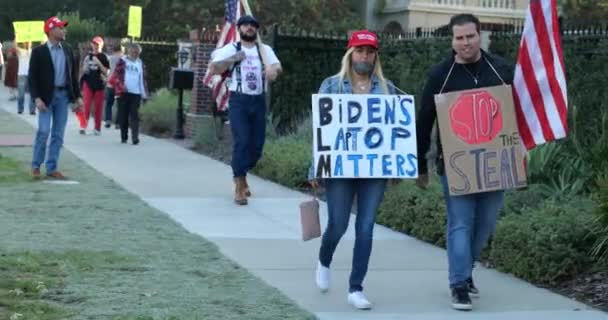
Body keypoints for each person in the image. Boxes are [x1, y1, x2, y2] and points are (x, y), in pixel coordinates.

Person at [415, 14, 514, 311]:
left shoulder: (502, 69)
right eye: (459, 37)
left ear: (479, 35)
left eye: (470, 36)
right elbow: (424, 121)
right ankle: (458, 283)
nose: (465, 42)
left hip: (496, 163)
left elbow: (519, 110)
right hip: (455, 165)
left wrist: (522, 149)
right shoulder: (440, 75)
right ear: (452, 40)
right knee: (460, 223)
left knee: (484, 224)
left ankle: (466, 270)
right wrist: (420, 164)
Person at [308, 30, 396, 310]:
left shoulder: (387, 89)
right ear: (350, 54)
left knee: (366, 227)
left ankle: (356, 288)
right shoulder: (332, 86)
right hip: (340, 167)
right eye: (360, 51)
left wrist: (394, 165)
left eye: (370, 52)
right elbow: (320, 131)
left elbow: (395, 132)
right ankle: (324, 259)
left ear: (375, 57)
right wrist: (316, 167)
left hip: (374, 170)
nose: (365, 56)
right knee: (338, 224)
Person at [208, 15, 282, 205]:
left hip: (258, 100)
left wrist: (273, 71)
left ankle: (241, 173)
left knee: (256, 146)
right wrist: (233, 58)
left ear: (256, 30)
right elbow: (214, 68)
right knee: (242, 141)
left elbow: (277, 67)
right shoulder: (231, 48)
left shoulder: (264, 50)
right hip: (239, 100)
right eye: (246, 25)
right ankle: (239, 186)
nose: (249, 28)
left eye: (253, 26)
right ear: (239, 28)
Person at [29, 16, 82, 180]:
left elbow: (73, 76)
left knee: (58, 134)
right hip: (45, 97)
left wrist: (77, 97)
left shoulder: (67, 50)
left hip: (63, 96)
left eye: (63, 28)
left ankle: (52, 168)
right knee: (44, 131)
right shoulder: (38, 52)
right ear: (51, 31)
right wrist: (36, 98)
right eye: (60, 28)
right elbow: (33, 77)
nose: (64, 30)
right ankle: (36, 165)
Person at [108, 43, 147, 145]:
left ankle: (135, 138)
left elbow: (141, 79)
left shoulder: (139, 63)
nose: (136, 54)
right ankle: (124, 137)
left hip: (136, 93)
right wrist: (120, 85)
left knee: (135, 115)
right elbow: (115, 76)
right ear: (129, 51)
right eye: (134, 52)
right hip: (123, 92)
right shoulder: (123, 61)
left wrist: (143, 93)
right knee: (123, 115)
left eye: (138, 53)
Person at [76, 36, 110, 135]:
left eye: (97, 44)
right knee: (86, 105)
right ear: (91, 45)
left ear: (101, 45)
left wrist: (99, 63)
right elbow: (83, 71)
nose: (95, 46)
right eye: (94, 44)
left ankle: (97, 128)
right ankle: (83, 126)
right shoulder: (88, 57)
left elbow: (107, 72)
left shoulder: (104, 57)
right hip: (88, 83)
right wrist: (84, 70)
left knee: (98, 108)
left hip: (99, 85)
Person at [104, 44, 123, 128]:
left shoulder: (110, 58)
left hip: (110, 83)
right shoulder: (124, 59)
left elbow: (106, 70)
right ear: (121, 50)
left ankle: (108, 120)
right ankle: (118, 123)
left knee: (109, 103)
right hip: (119, 84)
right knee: (120, 104)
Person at [16, 41, 35, 114]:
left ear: (31, 43)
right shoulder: (21, 51)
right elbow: (15, 47)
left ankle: (32, 110)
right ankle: (20, 109)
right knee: (21, 94)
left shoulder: (33, 51)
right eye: (26, 42)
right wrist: (16, 36)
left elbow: (43, 46)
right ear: (23, 43)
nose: (27, 43)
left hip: (31, 74)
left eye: (29, 42)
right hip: (22, 74)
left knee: (33, 93)